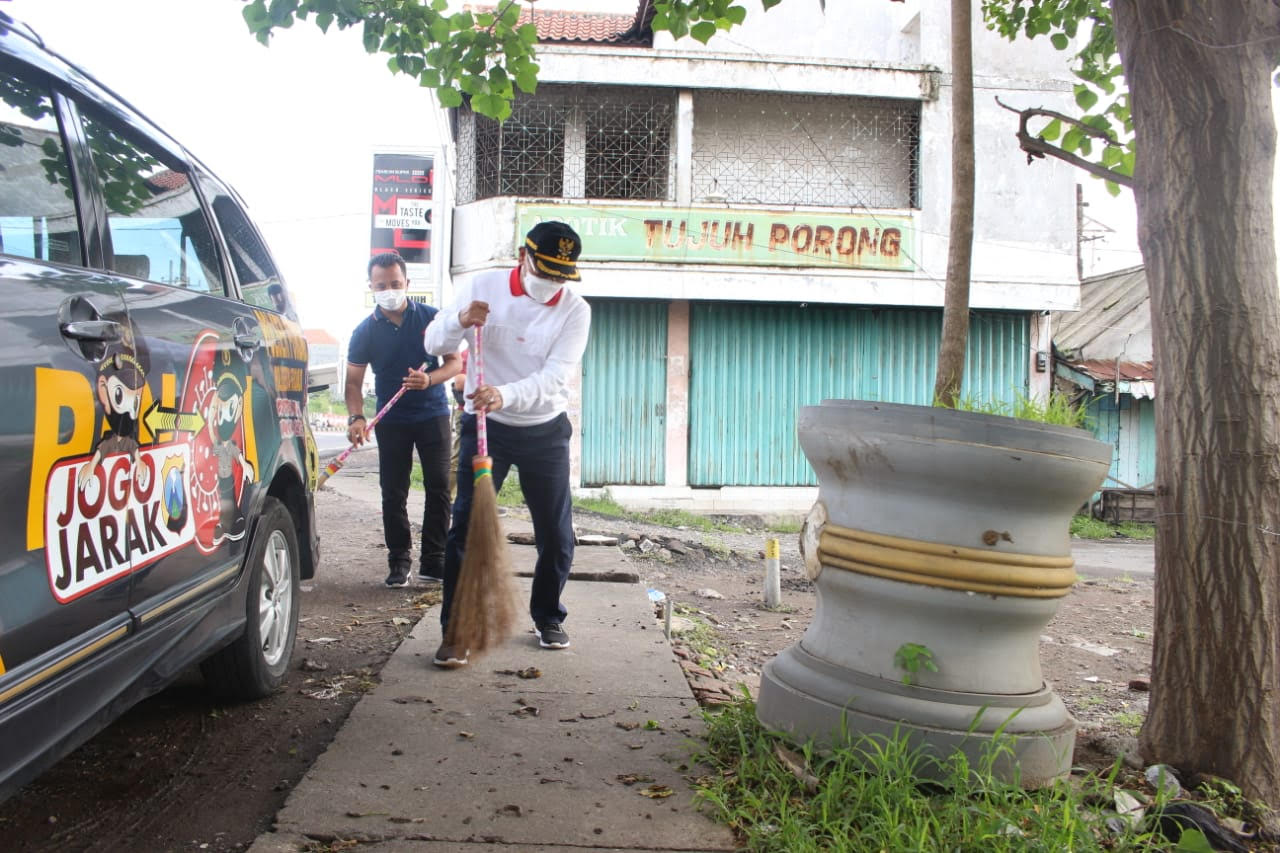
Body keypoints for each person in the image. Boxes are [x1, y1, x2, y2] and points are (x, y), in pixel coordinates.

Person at [423, 221, 592, 667]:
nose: (551, 282)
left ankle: (547, 615)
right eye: (545, 270)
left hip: (544, 428)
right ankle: (455, 631)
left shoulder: (576, 311)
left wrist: (507, 392)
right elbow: (434, 341)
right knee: (464, 530)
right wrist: (460, 321)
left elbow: (556, 375)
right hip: (486, 425)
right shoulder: (483, 286)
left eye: (561, 274)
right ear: (523, 254)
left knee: (556, 534)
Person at [346, 252, 462, 588]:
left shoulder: (432, 317)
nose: (389, 290)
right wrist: (356, 417)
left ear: (407, 283)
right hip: (390, 419)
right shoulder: (364, 332)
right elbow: (353, 383)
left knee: (439, 487)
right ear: (371, 287)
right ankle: (399, 561)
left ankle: (434, 561)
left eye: (395, 284)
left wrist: (429, 380)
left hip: (433, 414)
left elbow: (454, 364)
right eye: (381, 285)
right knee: (392, 491)